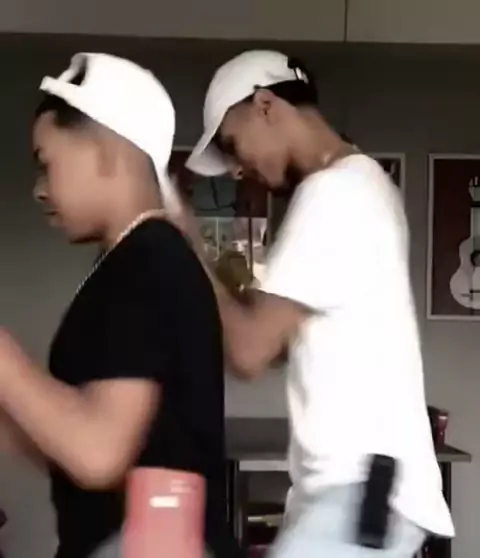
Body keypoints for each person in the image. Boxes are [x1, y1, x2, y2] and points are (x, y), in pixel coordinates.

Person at [168, 50, 455, 557]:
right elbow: (278, 347)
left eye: (233, 145)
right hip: (360, 495)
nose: (237, 168)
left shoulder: (333, 193)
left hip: (360, 493)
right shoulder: (362, 184)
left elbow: (249, 352)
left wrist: (187, 240)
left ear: (265, 105)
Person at [0, 53, 239, 558]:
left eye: (46, 162)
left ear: (107, 153)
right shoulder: (128, 263)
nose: (39, 190)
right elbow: (75, 451)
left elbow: (97, 453)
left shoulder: (151, 261)